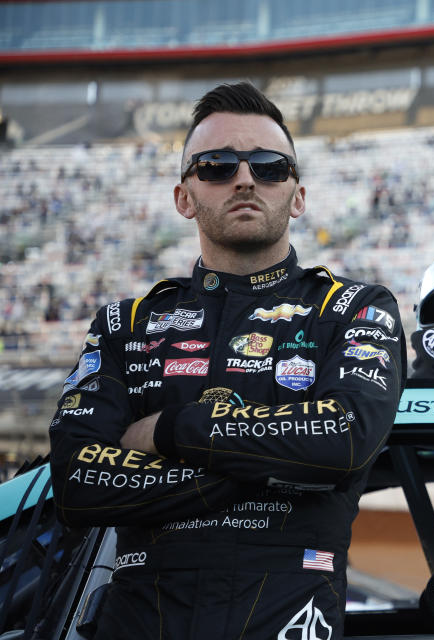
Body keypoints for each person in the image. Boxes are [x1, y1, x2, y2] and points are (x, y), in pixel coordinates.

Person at [47, 82, 406, 640]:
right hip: (141, 614)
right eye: (215, 165)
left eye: (269, 166)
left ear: (298, 194)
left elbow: (346, 440)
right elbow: (76, 483)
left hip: (288, 611)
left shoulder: (355, 308)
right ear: (184, 196)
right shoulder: (126, 325)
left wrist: (169, 429)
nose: (244, 179)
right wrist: (284, 471)